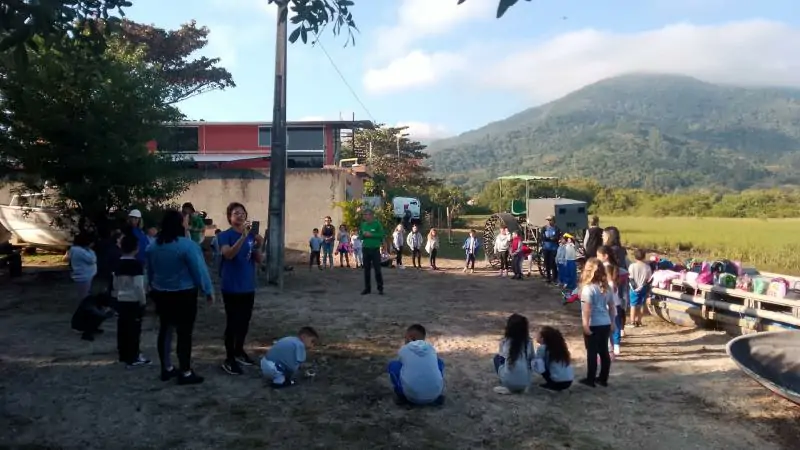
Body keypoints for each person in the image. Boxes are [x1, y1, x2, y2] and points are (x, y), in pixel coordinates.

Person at [147, 209, 214, 385]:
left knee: (166, 330)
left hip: (161, 294)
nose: (187, 223)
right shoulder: (187, 246)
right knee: (184, 334)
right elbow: (199, 271)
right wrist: (207, 290)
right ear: (179, 224)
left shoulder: (153, 246)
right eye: (184, 221)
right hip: (184, 295)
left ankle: (167, 368)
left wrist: (152, 288)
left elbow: (150, 271)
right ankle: (185, 372)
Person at [218, 202, 264, 376]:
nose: (240, 215)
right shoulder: (225, 235)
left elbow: (258, 259)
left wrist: (260, 244)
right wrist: (243, 237)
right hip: (231, 286)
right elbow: (228, 254)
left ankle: (239, 351)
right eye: (236, 213)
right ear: (230, 217)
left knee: (244, 321)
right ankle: (229, 359)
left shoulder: (251, 236)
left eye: (242, 212)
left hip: (248, 285)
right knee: (232, 323)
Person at [579, 258, 616, 388]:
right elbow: (612, 307)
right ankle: (603, 378)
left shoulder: (587, 289)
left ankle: (590, 379)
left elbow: (587, 310)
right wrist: (612, 322)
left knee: (592, 353)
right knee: (604, 352)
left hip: (593, 324)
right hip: (605, 322)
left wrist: (585, 325)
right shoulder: (607, 288)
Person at [387, 324, 445, 406]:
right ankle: (433, 390)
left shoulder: (404, 349)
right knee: (439, 363)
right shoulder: (431, 348)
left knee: (393, 366)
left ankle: (401, 396)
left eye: (405, 338)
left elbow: (401, 364)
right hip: (434, 396)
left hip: (412, 397)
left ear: (411, 337)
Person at [115, 234, 150, 367]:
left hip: (121, 298)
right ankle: (134, 355)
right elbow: (138, 285)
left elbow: (115, 282)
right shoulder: (136, 265)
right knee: (134, 329)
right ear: (136, 248)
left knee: (122, 328)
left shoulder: (118, 262)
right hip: (133, 300)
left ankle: (123, 354)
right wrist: (143, 300)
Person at [493, 314, 534, 394]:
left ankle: (507, 383)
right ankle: (520, 384)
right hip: (525, 382)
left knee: (496, 358)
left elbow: (502, 358)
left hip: (508, 381)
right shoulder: (528, 342)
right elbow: (532, 358)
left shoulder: (505, 341)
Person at [597, 246, 623, 356]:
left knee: (606, 325)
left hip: (605, 305)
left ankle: (609, 345)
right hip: (616, 304)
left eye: (598, 255)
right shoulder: (615, 270)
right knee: (616, 324)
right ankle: (616, 345)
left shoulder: (603, 269)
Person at [532, 326, 574, 391]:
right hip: (569, 381)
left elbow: (538, 365)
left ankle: (551, 383)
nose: (535, 336)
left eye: (538, 335)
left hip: (557, 382)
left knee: (537, 362)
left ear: (542, 338)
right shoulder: (559, 347)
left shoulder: (542, 348)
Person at [359, 208, 385, 295]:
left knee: (377, 269)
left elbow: (381, 235)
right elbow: (361, 237)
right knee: (366, 269)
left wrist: (371, 234)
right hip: (366, 249)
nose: (365, 217)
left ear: (371, 215)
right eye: (364, 215)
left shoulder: (377, 224)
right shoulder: (363, 224)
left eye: (367, 215)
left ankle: (380, 288)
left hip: (375, 249)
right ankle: (367, 288)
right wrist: (362, 234)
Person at [66, 232, 97, 301]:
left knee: (84, 293)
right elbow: (92, 260)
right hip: (84, 275)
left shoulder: (74, 249)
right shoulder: (80, 251)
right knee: (84, 295)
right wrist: (91, 251)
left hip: (82, 275)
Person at [628, 248, 653, 327]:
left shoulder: (632, 266)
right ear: (644, 257)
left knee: (633, 305)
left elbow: (630, 277)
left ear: (635, 257)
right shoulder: (647, 267)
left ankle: (632, 321)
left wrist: (635, 287)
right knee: (642, 305)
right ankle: (639, 321)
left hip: (634, 288)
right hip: (643, 287)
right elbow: (649, 278)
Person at [541, 215, 561, 283]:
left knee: (553, 263)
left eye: (550, 220)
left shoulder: (556, 228)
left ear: (553, 220)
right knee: (547, 263)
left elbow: (556, 238)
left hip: (554, 248)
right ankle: (548, 277)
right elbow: (543, 237)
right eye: (548, 220)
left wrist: (549, 238)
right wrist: (550, 238)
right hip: (546, 248)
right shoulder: (544, 228)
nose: (549, 221)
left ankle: (555, 277)